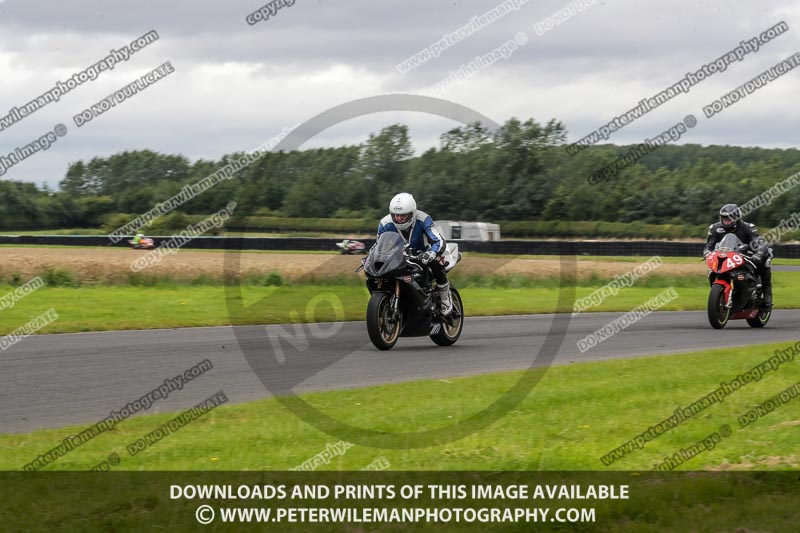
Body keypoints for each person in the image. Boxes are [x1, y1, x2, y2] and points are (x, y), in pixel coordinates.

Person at [377, 192, 453, 315]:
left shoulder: (423, 219)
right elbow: (378, 245)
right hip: (398, 257)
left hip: (422, 255)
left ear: (412, 213)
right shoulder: (385, 223)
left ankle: (445, 296)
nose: (399, 219)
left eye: (403, 216)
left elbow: (438, 240)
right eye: (395, 215)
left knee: (435, 260)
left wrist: (431, 253)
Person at [703, 203, 773, 307]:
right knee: (712, 271)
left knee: (765, 260)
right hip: (725, 256)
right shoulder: (715, 228)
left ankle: (767, 293)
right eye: (724, 218)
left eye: (729, 218)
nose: (726, 221)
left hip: (746, 254)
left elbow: (759, 242)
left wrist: (758, 254)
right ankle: (721, 297)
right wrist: (707, 253)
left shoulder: (748, 227)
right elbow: (709, 245)